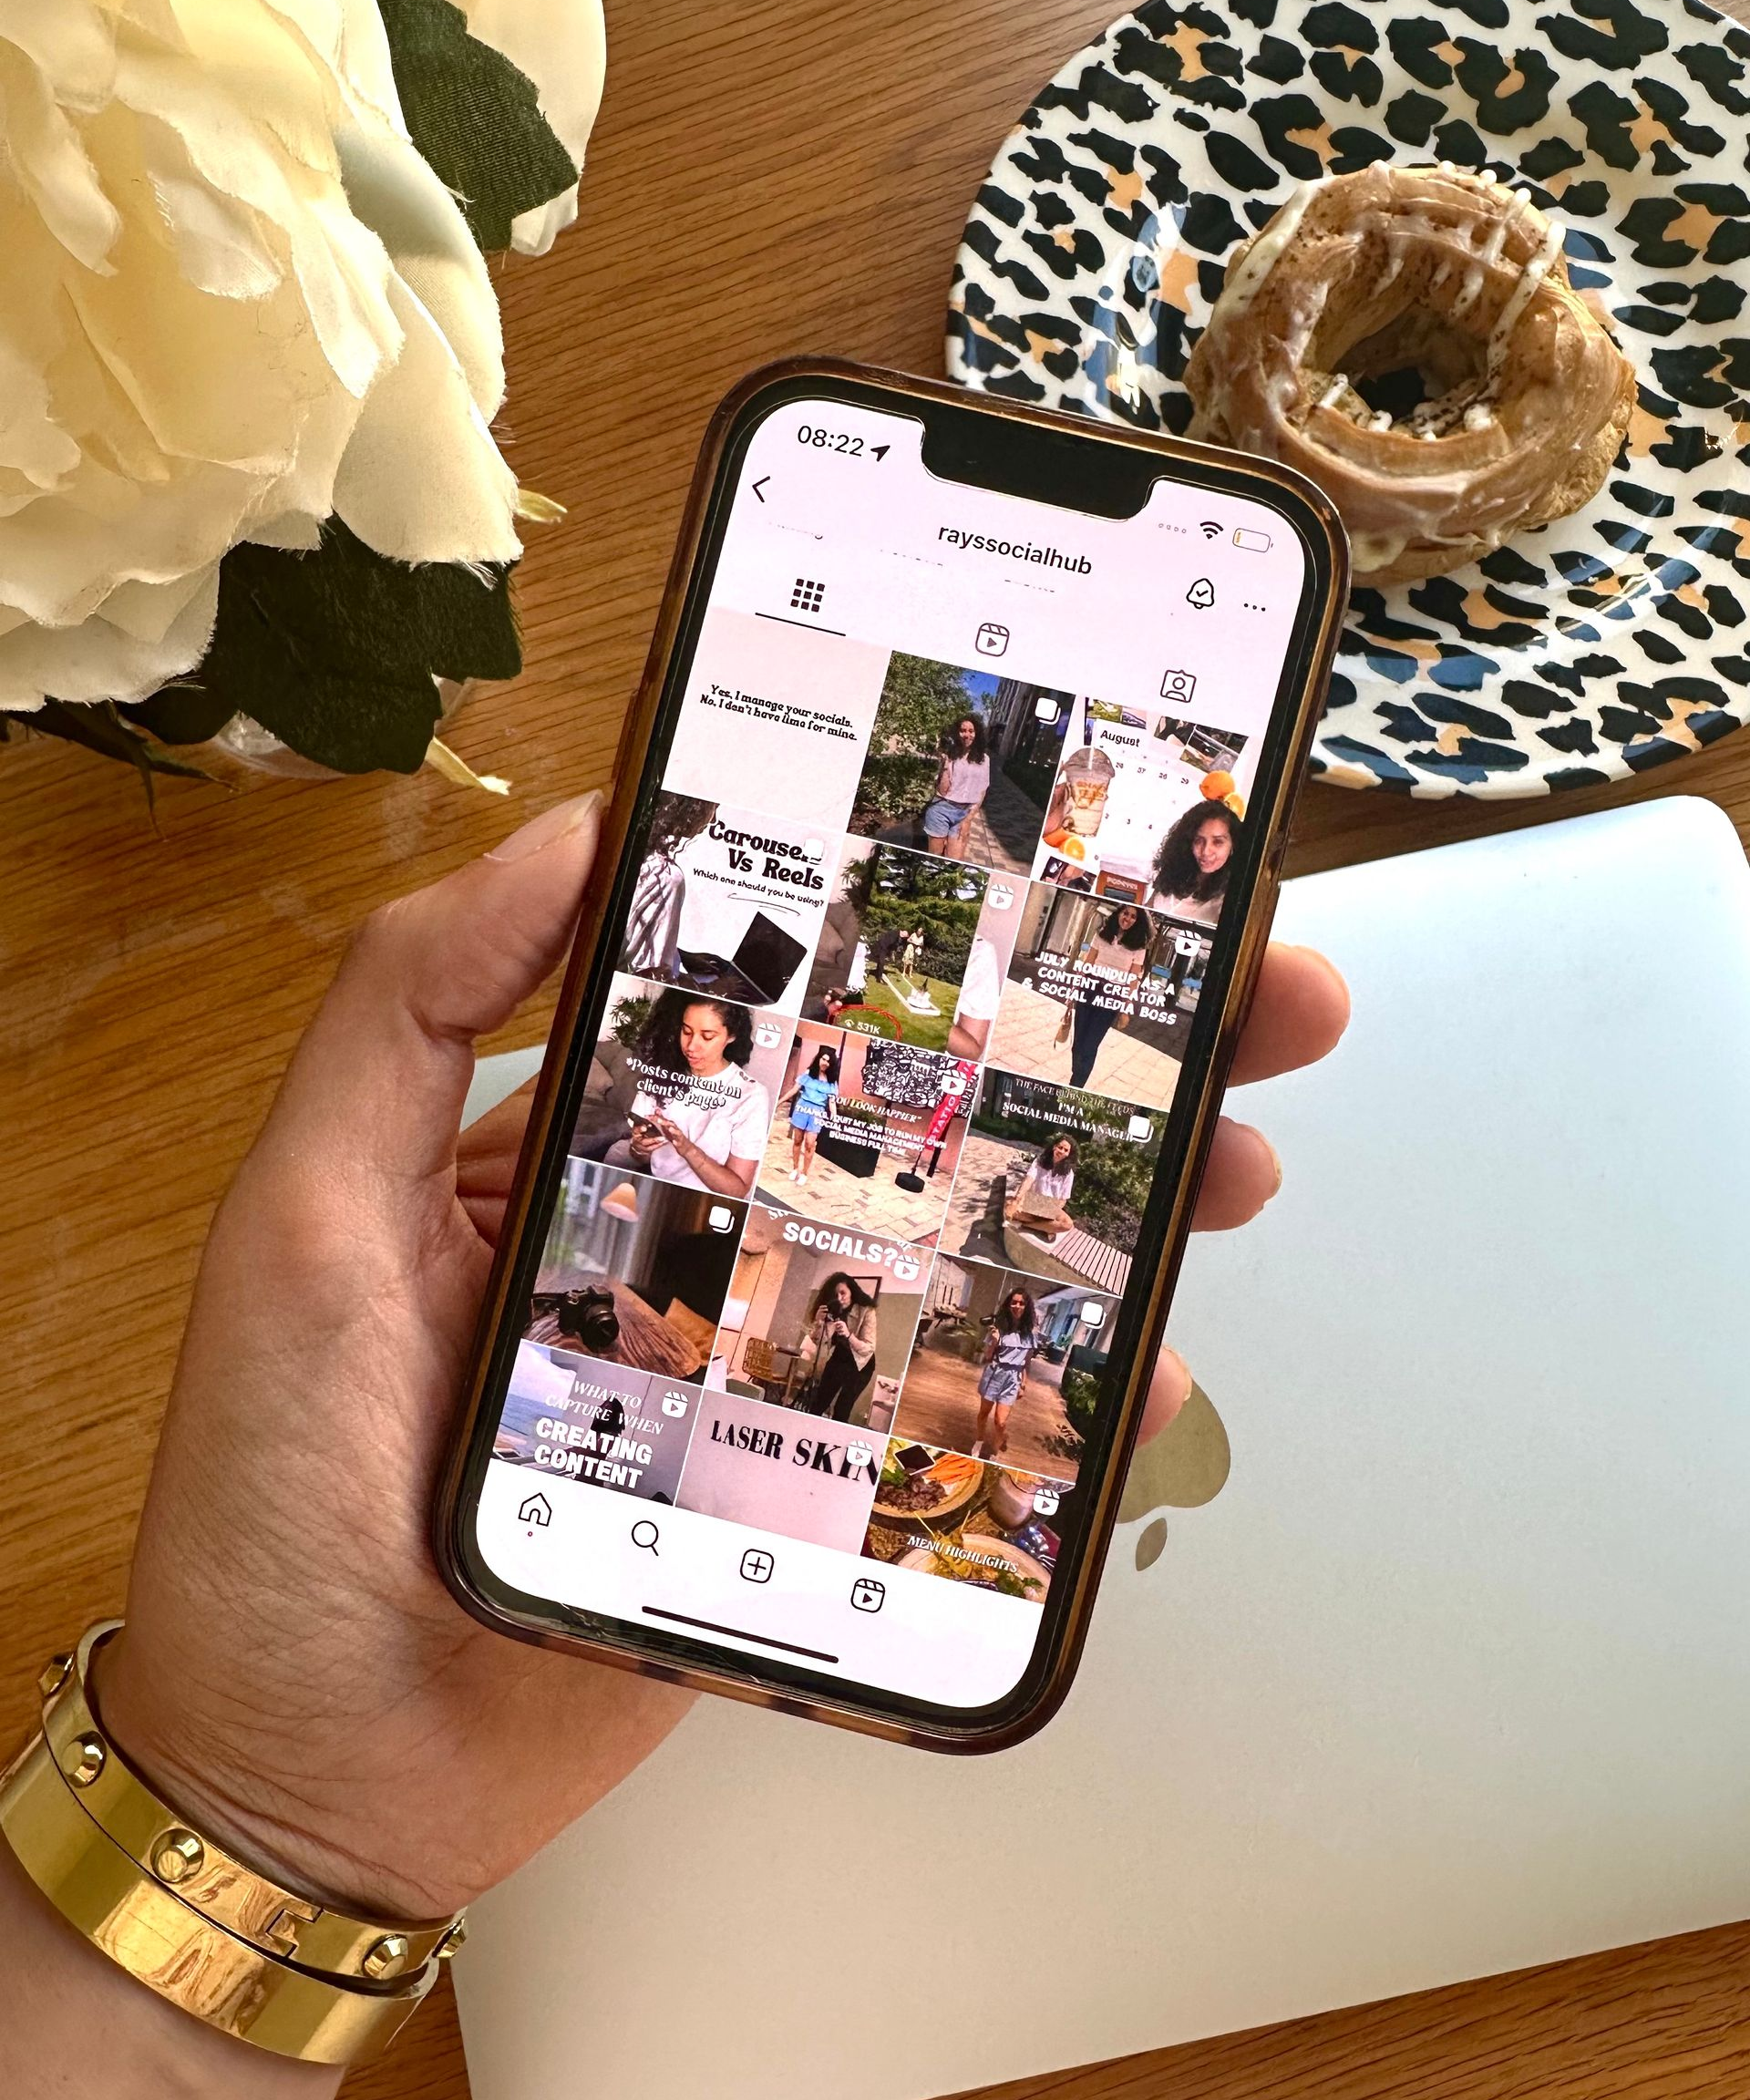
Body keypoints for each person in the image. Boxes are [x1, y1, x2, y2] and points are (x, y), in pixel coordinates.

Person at [0, 794, 1347, 2094]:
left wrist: (262, 1818)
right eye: (694, 1027)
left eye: (716, 1029)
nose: (705, 1037)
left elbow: (795, 1299)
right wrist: (258, 1809)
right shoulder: (701, 1167)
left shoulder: (794, 1224)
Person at [622, 989, 768, 1197]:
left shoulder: (750, 1095)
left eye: (707, 1037)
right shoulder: (661, 1074)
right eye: (686, 1031)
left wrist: (687, 1149)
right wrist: (639, 1148)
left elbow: (737, 1190)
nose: (691, 1046)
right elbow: (642, 1158)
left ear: (731, 1036)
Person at [623, 793, 717, 980]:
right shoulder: (667, 877)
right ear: (694, 807)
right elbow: (651, 976)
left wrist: (681, 956)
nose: (714, 820)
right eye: (714, 807)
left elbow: (631, 938)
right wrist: (710, 988)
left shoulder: (639, 849)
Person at [1066, 902, 1152, 1090]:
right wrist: (1074, 990)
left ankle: (1075, 1085)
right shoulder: (1102, 935)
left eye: (1133, 916)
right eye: (1126, 913)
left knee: (1090, 1044)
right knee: (1078, 1043)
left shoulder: (1138, 947)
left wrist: (1126, 1008)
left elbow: (1133, 979)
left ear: (1138, 922)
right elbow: (1088, 963)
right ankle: (1076, 1076)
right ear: (1119, 913)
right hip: (1089, 989)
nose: (1128, 918)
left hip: (1112, 997)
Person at [797, 1272, 879, 1423]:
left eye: (843, 1293)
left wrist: (849, 1335)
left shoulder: (866, 1310)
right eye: (836, 1295)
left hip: (862, 1364)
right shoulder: (832, 1309)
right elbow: (819, 1341)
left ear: (851, 1291)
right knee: (819, 1402)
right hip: (840, 1357)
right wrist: (819, 1322)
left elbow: (869, 1347)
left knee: (842, 1408)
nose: (840, 1298)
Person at [973, 1287, 1043, 1461]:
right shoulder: (999, 1328)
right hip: (994, 1373)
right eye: (1014, 1302)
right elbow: (987, 1357)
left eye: (1021, 1303)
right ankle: (979, 1441)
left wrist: (1023, 1384)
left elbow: (1026, 1363)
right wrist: (995, 1341)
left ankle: (995, 1451)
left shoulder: (1031, 1334)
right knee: (984, 1413)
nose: (1017, 1306)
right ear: (1009, 1304)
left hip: (1013, 1378)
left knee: (1000, 1421)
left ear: (1027, 1307)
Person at [1150, 798, 1236, 922]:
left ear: (1233, 845)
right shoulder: (1172, 874)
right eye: (1198, 840)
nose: (1205, 851)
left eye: (1217, 842)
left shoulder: (1230, 899)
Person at [923, 713, 991, 860]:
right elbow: (943, 791)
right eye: (963, 731)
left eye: (971, 731)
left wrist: (969, 818)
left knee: (954, 860)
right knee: (934, 858)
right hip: (941, 809)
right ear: (957, 733)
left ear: (977, 733)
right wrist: (946, 765)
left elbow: (982, 790)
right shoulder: (951, 755)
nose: (967, 735)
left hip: (963, 814)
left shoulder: (984, 759)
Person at [786, 1044, 839, 1181]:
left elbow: (832, 1102)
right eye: (823, 1059)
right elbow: (794, 1090)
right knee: (797, 1140)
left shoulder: (832, 1082)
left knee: (810, 1143)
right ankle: (795, 1168)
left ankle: (804, 1173)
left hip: (817, 1112)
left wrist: (835, 1118)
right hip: (802, 1108)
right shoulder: (808, 1073)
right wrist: (779, 1101)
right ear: (819, 1059)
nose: (825, 1063)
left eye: (828, 1061)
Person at [1011, 1133, 1077, 1238]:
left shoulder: (1069, 1173)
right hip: (1033, 1201)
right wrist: (1017, 1198)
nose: (1062, 1151)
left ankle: (1026, 1225)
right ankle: (1046, 1227)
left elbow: (1063, 1199)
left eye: (1066, 1150)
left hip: (1051, 1207)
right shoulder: (1039, 1162)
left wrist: (1051, 1211)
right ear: (1054, 1147)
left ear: (1069, 1154)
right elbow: (1028, 1180)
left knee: (1067, 1224)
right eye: (1060, 1147)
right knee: (1010, 1210)